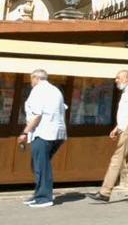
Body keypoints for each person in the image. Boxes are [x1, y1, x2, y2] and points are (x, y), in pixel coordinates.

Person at [88, 70, 128, 203]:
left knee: (116, 160)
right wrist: (117, 128)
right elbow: (126, 112)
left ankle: (105, 192)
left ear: (126, 78)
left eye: (118, 78)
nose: (116, 80)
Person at [17, 69, 67, 208]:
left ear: (35, 78)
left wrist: (24, 133)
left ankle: (44, 198)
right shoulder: (55, 90)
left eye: (31, 79)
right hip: (57, 133)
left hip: (43, 133)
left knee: (41, 166)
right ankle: (39, 194)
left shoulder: (38, 90)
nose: (31, 82)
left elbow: (37, 115)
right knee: (38, 165)